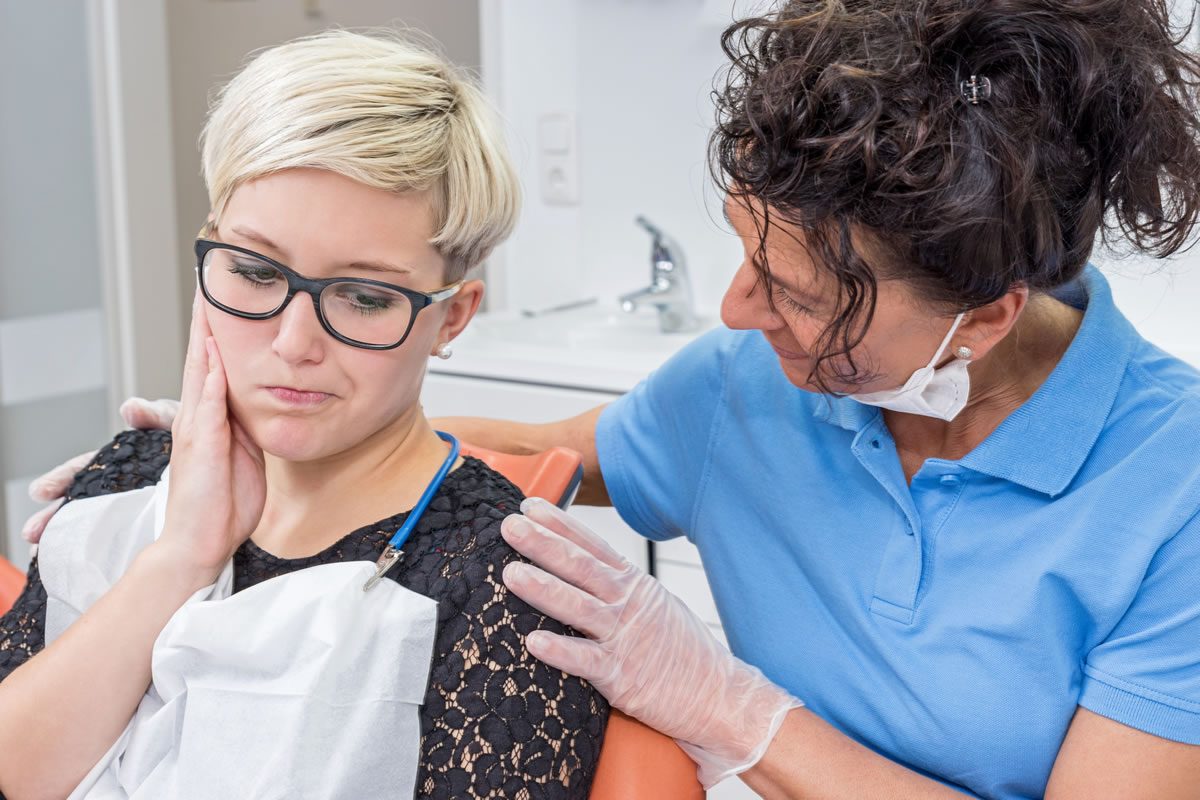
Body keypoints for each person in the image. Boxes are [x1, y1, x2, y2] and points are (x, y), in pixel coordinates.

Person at [22, 1, 1200, 797]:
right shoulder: (744, 390)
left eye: (797, 294)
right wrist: (249, 437)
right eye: (744, 252)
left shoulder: (1174, 490)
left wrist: (740, 713)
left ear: (984, 311)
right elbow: (528, 449)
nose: (736, 311)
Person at [0, 30, 608, 800]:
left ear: (452, 318)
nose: (294, 344)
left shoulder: (512, 591)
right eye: (255, 273)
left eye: (364, 297)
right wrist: (180, 557)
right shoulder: (129, 474)